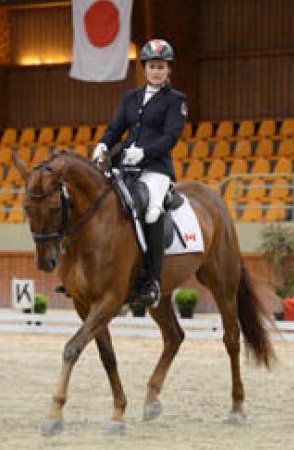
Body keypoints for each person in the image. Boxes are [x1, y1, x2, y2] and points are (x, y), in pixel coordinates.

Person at [92, 39, 187, 307]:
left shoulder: (176, 101)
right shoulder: (130, 97)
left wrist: (145, 153)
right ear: (144, 68)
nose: (156, 71)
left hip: (156, 169)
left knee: (152, 210)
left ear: (169, 70)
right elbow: (116, 127)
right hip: (125, 166)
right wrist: (103, 144)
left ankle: (153, 280)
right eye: (152, 66)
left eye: (162, 66)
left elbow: (171, 137)